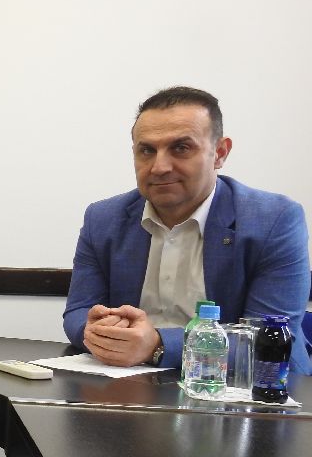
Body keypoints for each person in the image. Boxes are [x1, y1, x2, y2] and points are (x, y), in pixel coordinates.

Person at [64, 86, 309, 375]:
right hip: (130, 382)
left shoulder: (274, 220)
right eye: (147, 150)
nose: (159, 167)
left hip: (247, 386)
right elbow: (78, 311)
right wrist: (99, 330)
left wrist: (158, 345)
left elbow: (267, 338)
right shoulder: (103, 218)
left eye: (180, 148)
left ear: (220, 153)